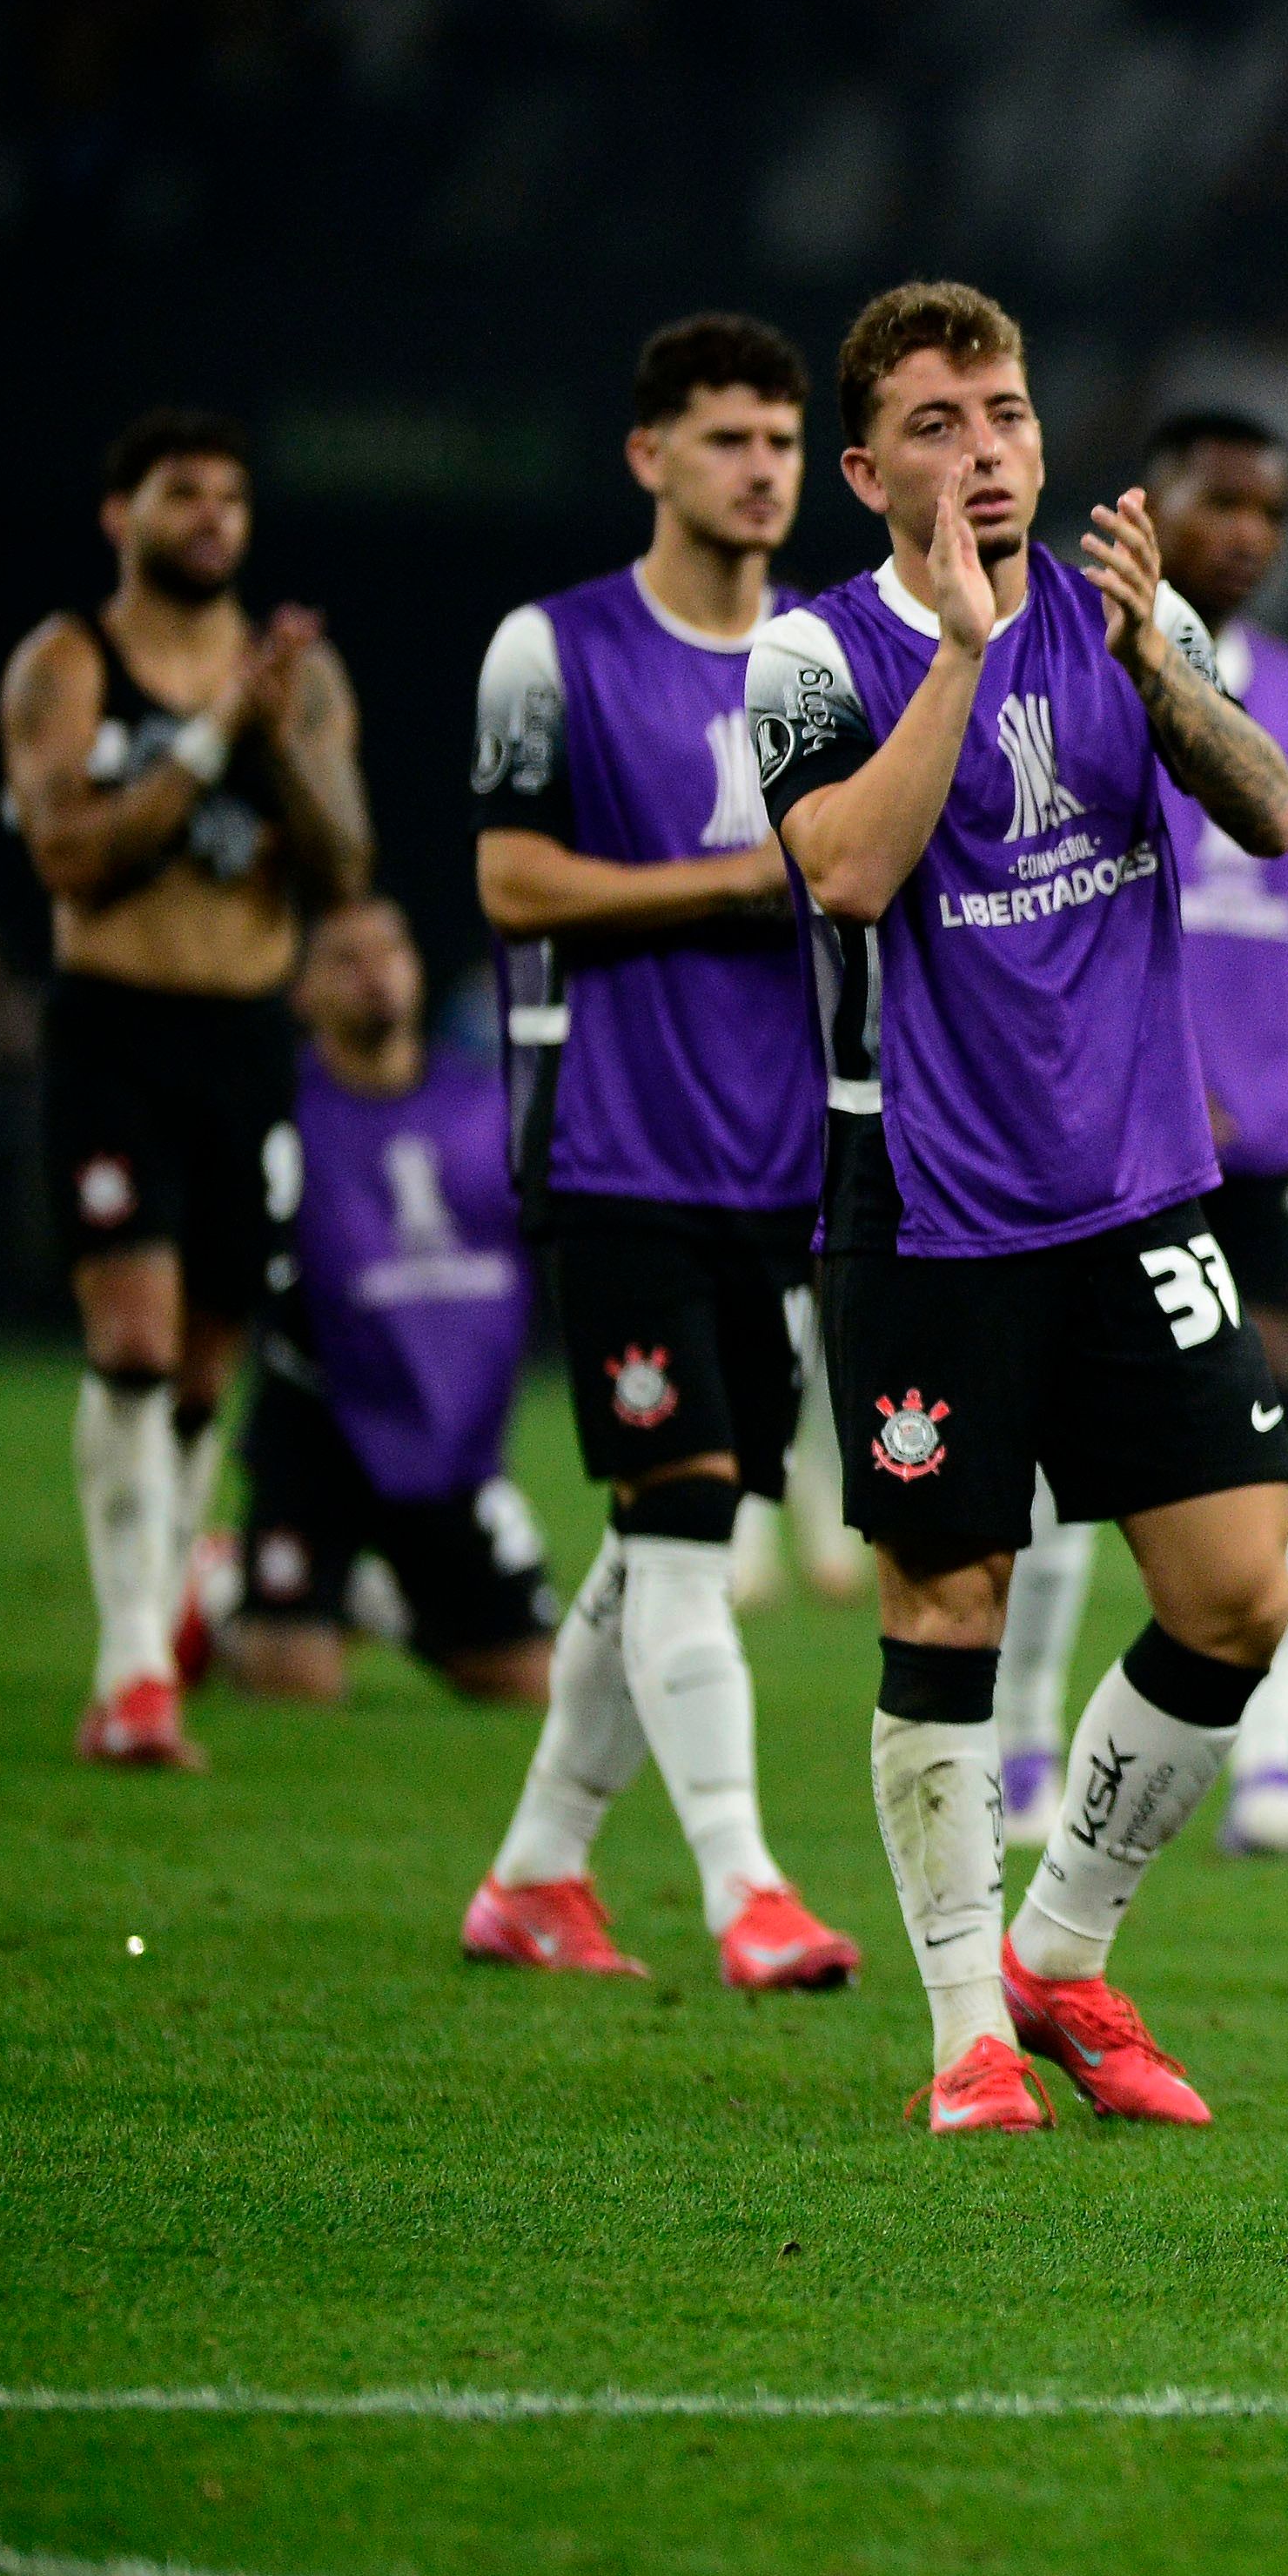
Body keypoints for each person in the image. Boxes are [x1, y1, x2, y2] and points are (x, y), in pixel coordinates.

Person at [751, 279, 1288, 2133]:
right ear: (862, 466)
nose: (980, 450)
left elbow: (1270, 810)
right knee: (948, 1597)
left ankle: (1056, 1952)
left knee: (1237, 1596)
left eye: (1001, 413)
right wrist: (962, 656)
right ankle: (956, 2034)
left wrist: (1158, 667)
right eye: (934, 424)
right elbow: (844, 869)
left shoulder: (1132, 617)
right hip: (922, 1204)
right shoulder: (814, 659)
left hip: (1138, 1192)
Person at [459, 313, 862, 1990]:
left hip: (778, 1170)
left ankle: (538, 1871)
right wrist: (727, 885)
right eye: (726, 440)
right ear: (650, 457)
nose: (761, 470)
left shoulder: (827, 664)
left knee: (656, 1537)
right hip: (617, 1147)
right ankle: (745, 1887)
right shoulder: (547, 652)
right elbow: (511, 884)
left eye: (780, 441)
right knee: (688, 1515)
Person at [989, 409, 1288, 1863]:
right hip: (1128, 1125)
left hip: (1271, 1126)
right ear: (1155, 508)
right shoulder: (1072, 657)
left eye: (1272, 512)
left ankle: (1266, 1769)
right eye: (1224, 506)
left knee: (1276, 1430)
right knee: (1072, 1444)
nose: (1251, 537)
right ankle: (1024, 1747)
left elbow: (1282, 916)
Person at [2, 408, 372, 1770]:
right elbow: (70, 855)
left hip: (244, 1040)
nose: (212, 515)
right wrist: (215, 734)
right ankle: (133, 1667)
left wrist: (272, 735)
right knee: (136, 1346)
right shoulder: (67, 663)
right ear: (124, 514)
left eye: (229, 495)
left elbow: (341, 863)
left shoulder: (298, 679)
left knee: (203, 1373)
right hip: (115, 1029)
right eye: (181, 494)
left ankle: (148, 1639)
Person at [225, 896, 558, 1709]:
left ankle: (384, 1601)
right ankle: (227, 1592)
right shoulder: (279, 1110)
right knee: (294, 1685)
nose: (376, 974)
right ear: (300, 990)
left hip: (448, 1438)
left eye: (391, 951)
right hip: (320, 1431)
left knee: (533, 1686)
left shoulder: (484, 1104)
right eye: (345, 958)